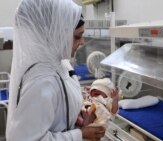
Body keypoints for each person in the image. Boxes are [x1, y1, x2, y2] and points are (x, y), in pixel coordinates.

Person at [6, 0, 107, 140]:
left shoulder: (61, 64)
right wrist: (80, 134)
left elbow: (58, 108)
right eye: (77, 36)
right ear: (57, 34)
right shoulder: (42, 81)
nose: (82, 42)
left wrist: (77, 114)